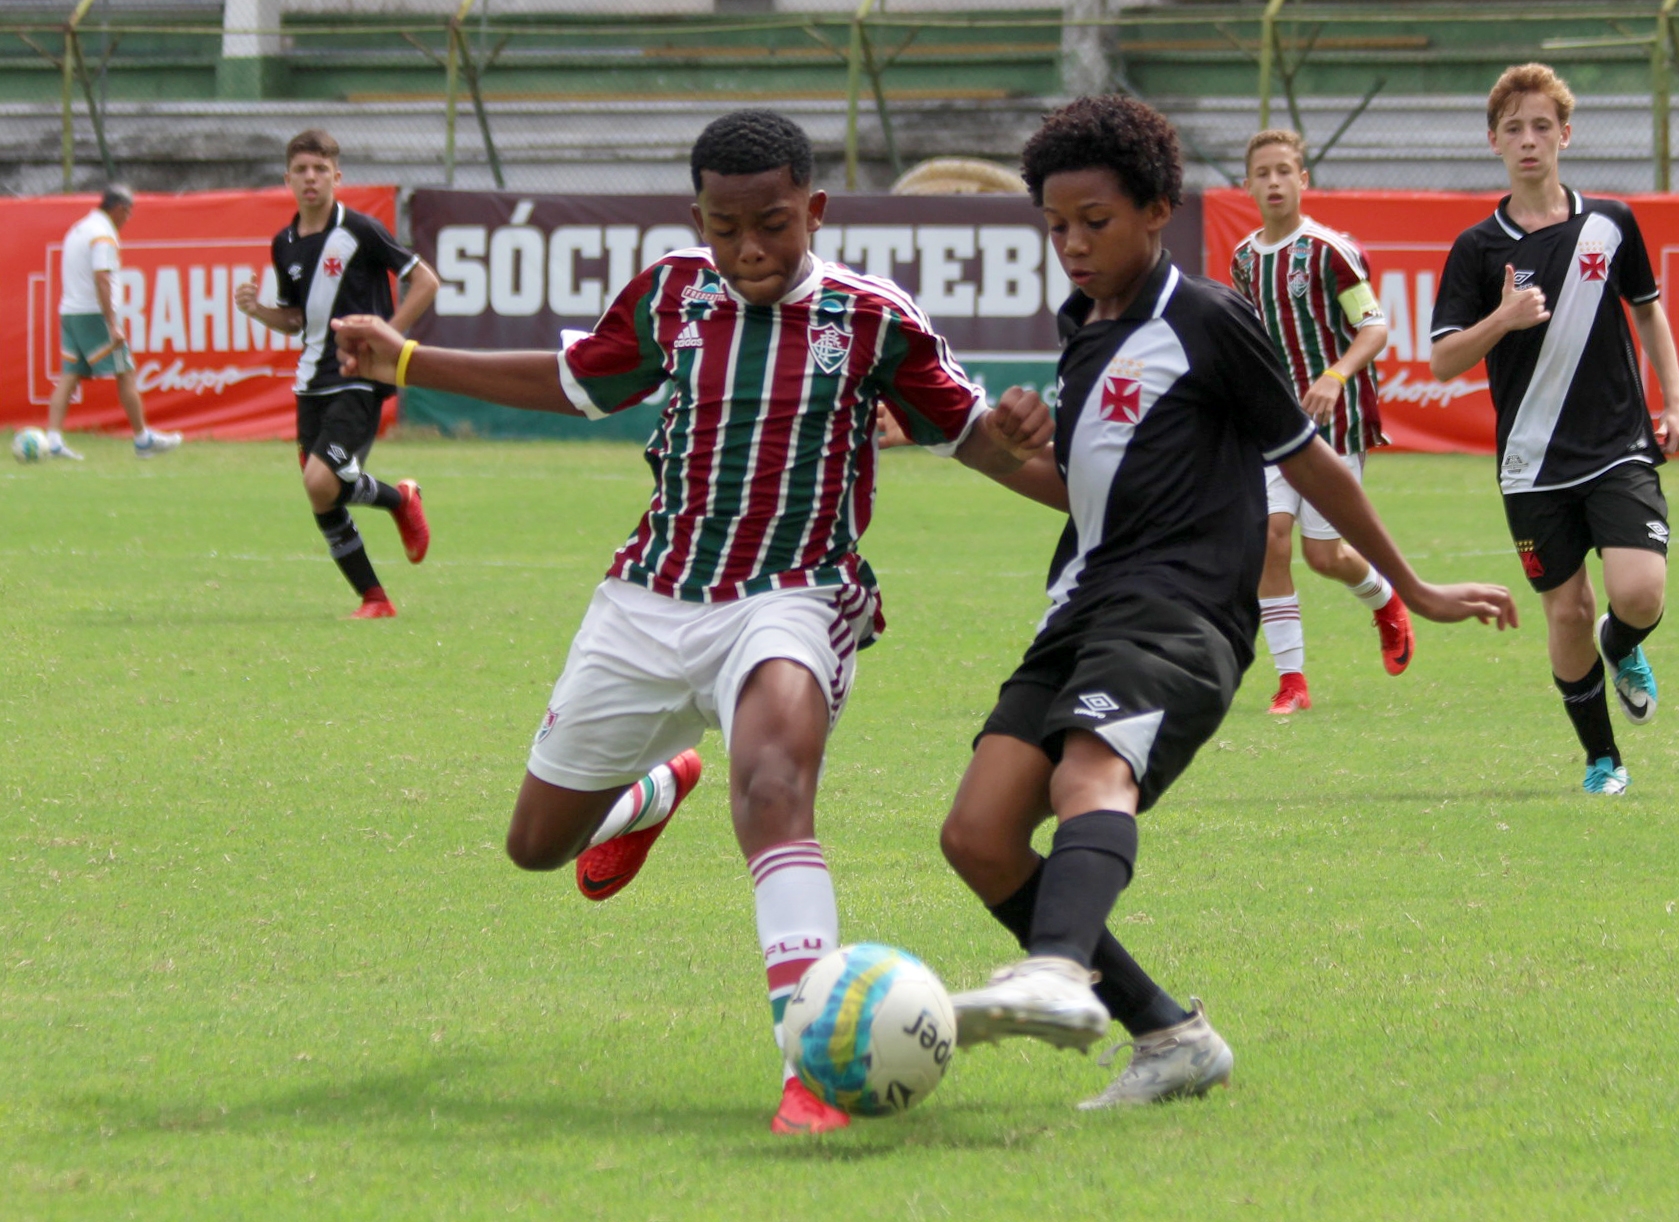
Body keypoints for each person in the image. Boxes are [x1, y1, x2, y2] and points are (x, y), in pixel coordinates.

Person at [330, 110, 1053, 1136]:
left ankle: (811, 1062)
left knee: (773, 786)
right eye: (725, 227)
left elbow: (979, 440)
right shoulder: (674, 293)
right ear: (697, 218)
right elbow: (577, 383)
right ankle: (655, 791)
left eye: (772, 224)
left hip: (792, 594)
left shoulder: (871, 316)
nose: (750, 248)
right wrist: (405, 360)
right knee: (536, 847)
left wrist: (1111, 503)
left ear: (815, 209)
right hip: (649, 598)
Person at [937, 95, 1517, 1109]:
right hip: (1080, 607)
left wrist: (1412, 587)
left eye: (1096, 222)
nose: (1072, 245)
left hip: (1185, 611)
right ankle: (1168, 1035)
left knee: (1090, 770)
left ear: (1159, 210)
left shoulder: (1207, 318)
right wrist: (990, 445)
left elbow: (1315, 464)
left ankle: (1056, 969)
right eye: (1057, 226)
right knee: (977, 838)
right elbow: (1082, 487)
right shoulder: (1086, 332)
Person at [1428, 64, 1679, 796]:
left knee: (1637, 592)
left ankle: (1625, 643)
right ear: (1493, 142)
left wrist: (1676, 400)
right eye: (1513, 128)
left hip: (1617, 445)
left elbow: (1647, 309)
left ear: (1565, 135)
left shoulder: (1611, 222)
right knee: (1568, 609)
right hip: (1531, 463)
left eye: (1542, 125)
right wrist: (1502, 320)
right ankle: (1603, 758)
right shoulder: (1477, 249)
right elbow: (1444, 357)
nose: (1528, 140)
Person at [1231, 129, 1411, 713]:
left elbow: (1375, 327)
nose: (1275, 181)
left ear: (1302, 181)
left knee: (1325, 556)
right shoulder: (1242, 260)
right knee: (1269, 541)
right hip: (1276, 426)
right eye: (1264, 173)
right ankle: (1292, 682)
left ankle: (1386, 602)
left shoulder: (1331, 251)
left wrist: (1334, 377)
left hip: (1338, 420)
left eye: (1286, 170)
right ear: (1249, 184)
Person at [234, 129, 439, 619]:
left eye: (320, 170)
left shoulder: (361, 230)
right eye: (302, 170)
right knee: (321, 490)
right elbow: (297, 318)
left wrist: (387, 336)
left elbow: (426, 281)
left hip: (358, 376)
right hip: (311, 381)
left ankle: (394, 516)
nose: (311, 179)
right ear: (287, 179)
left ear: (336, 177)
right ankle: (377, 593)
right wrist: (259, 311)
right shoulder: (283, 243)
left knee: (319, 481)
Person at [45, 185, 182, 461]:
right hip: (93, 314)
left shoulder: (78, 228)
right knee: (125, 372)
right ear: (119, 208)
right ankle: (143, 439)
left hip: (70, 312)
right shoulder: (103, 234)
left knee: (69, 376)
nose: (127, 220)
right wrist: (112, 323)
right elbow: (102, 277)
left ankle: (53, 440)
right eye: (128, 213)